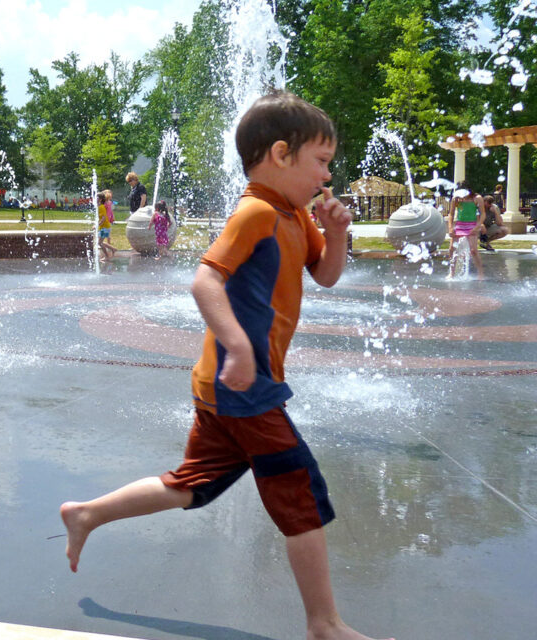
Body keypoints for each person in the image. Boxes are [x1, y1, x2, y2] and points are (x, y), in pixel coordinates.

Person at [60, 91, 393, 640]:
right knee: (301, 496)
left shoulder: (294, 216)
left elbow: (327, 275)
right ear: (281, 155)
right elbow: (205, 280)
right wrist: (238, 346)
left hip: (226, 387)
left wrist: (336, 234)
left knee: (196, 482)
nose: (327, 176)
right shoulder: (258, 212)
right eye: (322, 162)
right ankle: (325, 624)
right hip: (245, 384)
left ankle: (88, 513)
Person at [446, 181, 484, 277]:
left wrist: (477, 226)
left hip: (472, 225)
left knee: (473, 250)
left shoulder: (477, 198)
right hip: (459, 225)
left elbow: (483, 214)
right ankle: (452, 272)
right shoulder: (456, 199)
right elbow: (451, 214)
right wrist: (450, 227)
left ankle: (480, 272)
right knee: (452, 249)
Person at [96, 192, 116, 261]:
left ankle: (107, 256)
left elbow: (104, 218)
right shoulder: (99, 206)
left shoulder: (101, 207)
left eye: (97, 197)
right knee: (99, 242)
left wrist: (97, 225)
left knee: (99, 243)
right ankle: (113, 249)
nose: (95, 198)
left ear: (101, 199)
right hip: (104, 227)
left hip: (105, 227)